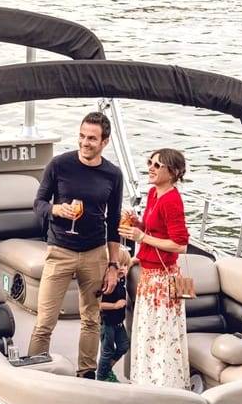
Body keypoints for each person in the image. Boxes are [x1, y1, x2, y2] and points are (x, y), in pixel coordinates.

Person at [27, 111, 124, 379]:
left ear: (105, 141)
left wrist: (113, 265)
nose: (85, 142)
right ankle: (35, 372)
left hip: (95, 254)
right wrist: (57, 210)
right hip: (59, 251)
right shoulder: (59, 164)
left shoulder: (113, 175)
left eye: (92, 138)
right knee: (45, 320)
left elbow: (114, 222)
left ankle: (86, 375)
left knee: (91, 319)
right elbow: (39, 204)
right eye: (82, 136)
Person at [118, 148, 190, 389]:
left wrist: (141, 238)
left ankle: (164, 385)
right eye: (150, 162)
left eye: (158, 165)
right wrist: (137, 224)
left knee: (161, 334)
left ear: (174, 172)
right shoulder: (153, 194)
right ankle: (146, 381)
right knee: (147, 332)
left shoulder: (171, 200)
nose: (151, 167)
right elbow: (155, 230)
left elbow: (180, 245)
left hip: (163, 280)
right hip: (149, 276)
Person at [97, 248, 131, 382]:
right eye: (119, 265)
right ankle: (101, 377)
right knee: (107, 351)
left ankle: (107, 370)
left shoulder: (121, 280)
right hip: (108, 323)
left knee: (123, 346)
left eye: (125, 265)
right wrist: (115, 306)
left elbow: (130, 262)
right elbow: (97, 305)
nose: (122, 269)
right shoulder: (105, 284)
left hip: (119, 323)